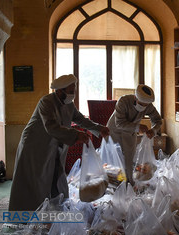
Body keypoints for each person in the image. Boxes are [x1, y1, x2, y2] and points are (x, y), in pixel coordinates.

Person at [9, 74, 109, 211]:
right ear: (60, 91)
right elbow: (51, 127)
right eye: (70, 91)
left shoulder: (69, 105)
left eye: (74, 91)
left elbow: (81, 119)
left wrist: (99, 128)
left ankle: (58, 206)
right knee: (35, 181)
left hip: (55, 144)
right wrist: (76, 135)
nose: (73, 94)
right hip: (35, 145)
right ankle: (29, 214)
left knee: (57, 175)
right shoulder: (46, 102)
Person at [107, 84, 162, 185]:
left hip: (130, 133)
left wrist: (153, 131)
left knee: (129, 160)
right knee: (115, 162)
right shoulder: (123, 101)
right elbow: (119, 123)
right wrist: (138, 127)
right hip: (115, 131)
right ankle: (116, 187)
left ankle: (129, 184)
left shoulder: (148, 106)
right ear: (135, 97)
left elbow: (157, 120)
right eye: (142, 104)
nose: (144, 107)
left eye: (146, 105)